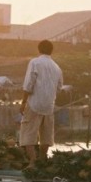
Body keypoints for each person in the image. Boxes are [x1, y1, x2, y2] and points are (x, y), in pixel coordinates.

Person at [19, 40, 63, 169]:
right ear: (51, 51)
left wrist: (23, 102)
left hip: (34, 104)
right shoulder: (57, 67)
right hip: (49, 106)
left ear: (39, 49)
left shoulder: (35, 62)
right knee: (46, 136)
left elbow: (28, 84)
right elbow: (59, 87)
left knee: (28, 134)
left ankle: (33, 161)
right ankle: (43, 160)